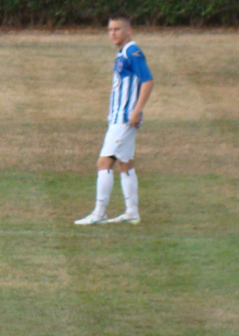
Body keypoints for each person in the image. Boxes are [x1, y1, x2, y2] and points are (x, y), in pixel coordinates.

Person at [75, 15, 155, 226]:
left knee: (103, 163)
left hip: (125, 119)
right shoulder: (122, 53)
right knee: (125, 163)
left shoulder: (132, 52)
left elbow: (147, 81)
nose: (112, 33)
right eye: (110, 29)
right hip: (118, 117)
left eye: (117, 29)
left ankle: (99, 213)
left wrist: (137, 110)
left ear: (128, 30)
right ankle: (132, 212)